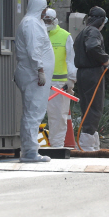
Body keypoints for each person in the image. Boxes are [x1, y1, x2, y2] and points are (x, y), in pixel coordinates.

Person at [14, 0, 55, 162]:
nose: (45, 11)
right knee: (33, 112)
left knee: (33, 111)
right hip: (33, 75)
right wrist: (40, 70)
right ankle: (30, 151)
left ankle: (30, 150)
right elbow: (34, 49)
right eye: (44, 7)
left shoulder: (32, 22)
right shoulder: (31, 23)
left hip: (32, 74)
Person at [73, 6, 109, 151]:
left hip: (83, 73)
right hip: (92, 74)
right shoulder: (94, 32)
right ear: (101, 21)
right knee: (94, 106)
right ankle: (87, 142)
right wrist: (105, 59)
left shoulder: (82, 32)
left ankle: (90, 141)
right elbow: (92, 48)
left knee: (87, 106)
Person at [43, 8, 77, 148]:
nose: (46, 23)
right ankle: (37, 145)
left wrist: (71, 80)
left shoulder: (64, 36)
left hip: (59, 84)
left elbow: (71, 59)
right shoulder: (39, 34)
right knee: (35, 115)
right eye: (44, 20)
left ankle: (56, 146)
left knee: (58, 116)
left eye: (48, 20)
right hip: (40, 82)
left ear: (55, 20)